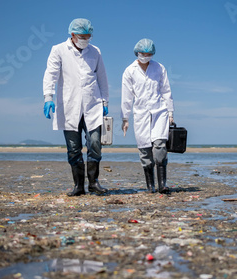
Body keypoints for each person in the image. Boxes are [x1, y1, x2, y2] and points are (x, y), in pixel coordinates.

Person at [43, 18, 109, 197]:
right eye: (82, 36)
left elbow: (102, 78)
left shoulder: (95, 52)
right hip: (69, 106)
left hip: (92, 104)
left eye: (88, 36)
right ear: (72, 35)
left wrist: (105, 101)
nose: (86, 39)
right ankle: (79, 185)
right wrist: (48, 97)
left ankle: (94, 183)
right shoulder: (59, 50)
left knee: (95, 143)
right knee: (73, 148)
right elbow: (51, 74)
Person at [121, 38, 174, 194]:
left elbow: (166, 90)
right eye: (143, 53)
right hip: (141, 113)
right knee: (145, 150)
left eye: (149, 53)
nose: (146, 56)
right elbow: (126, 96)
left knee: (160, 146)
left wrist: (170, 112)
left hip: (159, 110)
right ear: (137, 52)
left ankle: (162, 184)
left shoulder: (159, 68)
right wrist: (125, 118)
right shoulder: (129, 71)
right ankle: (150, 186)